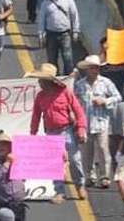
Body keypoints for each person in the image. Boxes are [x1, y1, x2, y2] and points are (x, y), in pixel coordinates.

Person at [27, 62, 88, 202]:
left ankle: (80, 185)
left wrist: (81, 128)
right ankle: (59, 192)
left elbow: (79, 111)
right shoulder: (40, 96)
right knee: (55, 164)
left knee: (75, 160)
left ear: (49, 81)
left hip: (67, 129)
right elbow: (36, 116)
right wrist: (33, 134)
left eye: (41, 80)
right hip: (51, 132)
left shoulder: (65, 92)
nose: (39, 82)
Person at [74, 54, 122, 189]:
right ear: (87, 69)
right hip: (85, 123)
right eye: (91, 68)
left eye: (96, 68)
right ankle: (89, 176)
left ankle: (105, 176)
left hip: (101, 122)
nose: (94, 71)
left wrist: (105, 101)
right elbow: (75, 101)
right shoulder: (80, 85)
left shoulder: (106, 83)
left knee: (102, 149)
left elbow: (117, 97)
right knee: (86, 151)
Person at [100, 36, 124, 168]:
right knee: (111, 133)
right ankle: (113, 158)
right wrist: (103, 57)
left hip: (123, 99)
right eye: (104, 46)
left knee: (122, 132)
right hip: (107, 101)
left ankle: (119, 154)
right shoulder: (101, 62)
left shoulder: (123, 61)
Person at [38, 0, 80, 74]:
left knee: (68, 58)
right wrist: (41, 34)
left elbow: (74, 16)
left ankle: (68, 78)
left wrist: (75, 31)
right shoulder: (46, 3)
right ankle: (55, 78)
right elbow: (42, 19)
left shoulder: (69, 0)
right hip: (51, 34)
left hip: (65, 34)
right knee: (52, 59)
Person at [0, 132, 26, 220]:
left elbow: (24, 177)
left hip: (18, 204)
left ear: (10, 148)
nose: (1, 147)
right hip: (2, 205)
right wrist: (7, 162)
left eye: (4, 145)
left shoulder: (18, 162)